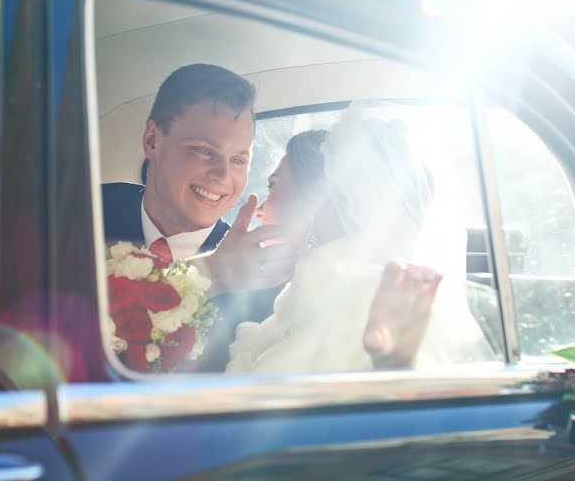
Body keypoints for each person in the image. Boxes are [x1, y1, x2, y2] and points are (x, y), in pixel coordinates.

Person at [227, 110, 498, 373]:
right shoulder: (305, 295)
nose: (260, 209)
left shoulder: (377, 303)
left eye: (273, 186)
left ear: (315, 200)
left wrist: (392, 366)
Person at [102, 63, 299, 371]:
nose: (222, 176)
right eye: (204, 151)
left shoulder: (260, 283)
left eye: (238, 160)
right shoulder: (79, 214)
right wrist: (209, 274)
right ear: (153, 140)